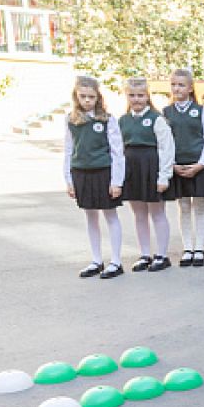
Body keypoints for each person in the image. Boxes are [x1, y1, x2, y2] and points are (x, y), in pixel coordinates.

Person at [64, 75, 126, 279]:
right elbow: (68, 150)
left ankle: (116, 261)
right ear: (76, 96)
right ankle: (96, 260)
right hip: (81, 171)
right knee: (90, 216)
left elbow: (117, 152)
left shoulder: (107, 120)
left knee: (110, 214)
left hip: (103, 172)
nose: (87, 100)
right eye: (83, 96)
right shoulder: (71, 120)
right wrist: (69, 179)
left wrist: (116, 181)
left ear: (98, 97)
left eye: (91, 97)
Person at [119, 78, 176, 273]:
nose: (136, 99)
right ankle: (145, 254)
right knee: (139, 214)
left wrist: (164, 176)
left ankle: (162, 255)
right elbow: (118, 149)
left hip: (151, 168)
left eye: (140, 95)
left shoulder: (156, 119)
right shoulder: (123, 120)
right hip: (132, 169)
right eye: (132, 95)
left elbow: (167, 148)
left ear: (147, 96)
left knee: (157, 213)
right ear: (127, 96)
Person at [164, 68, 204, 268]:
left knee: (200, 206)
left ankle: (200, 248)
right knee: (184, 206)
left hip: (198, 165)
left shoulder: (201, 110)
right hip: (178, 166)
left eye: (181, 85)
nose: (177, 88)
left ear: (190, 87)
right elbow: (165, 142)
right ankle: (188, 248)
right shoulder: (166, 113)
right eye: (174, 84)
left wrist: (201, 164)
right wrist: (173, 165)